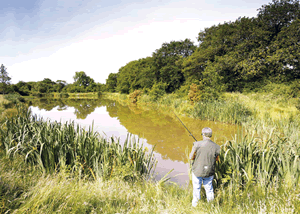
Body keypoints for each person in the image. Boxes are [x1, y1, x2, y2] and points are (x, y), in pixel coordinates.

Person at [189, 127, 220, 207]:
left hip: (197, 170)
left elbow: (191, 157)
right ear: (211, 135)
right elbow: (217, 159)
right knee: (209, 189)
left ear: (203, 134)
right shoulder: (217, 147)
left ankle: (195, 206)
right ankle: (211, 205)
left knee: (196, 188)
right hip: (209, 171)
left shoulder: (196, 144)